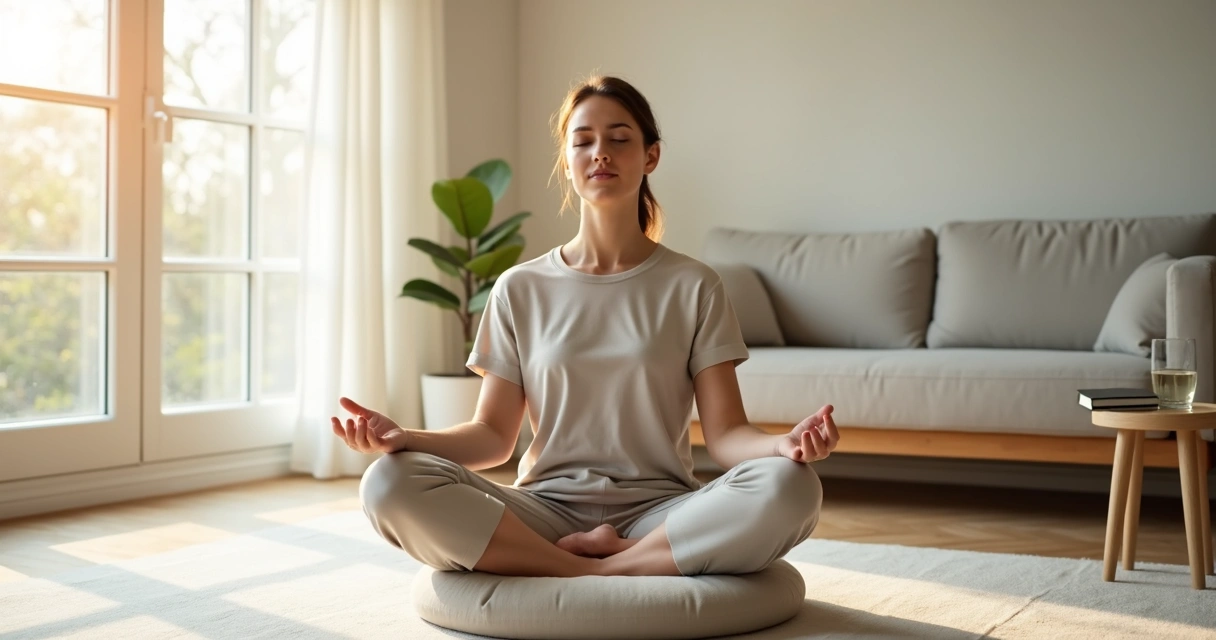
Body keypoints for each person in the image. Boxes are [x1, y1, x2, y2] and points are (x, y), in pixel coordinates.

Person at [332, 75, 840, 578]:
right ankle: (585, 567)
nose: (601, 153)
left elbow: (727, 435)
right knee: (386, 482)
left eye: (620, 139)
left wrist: (782, 447)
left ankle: (608, 565)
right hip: (543, 513)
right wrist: (404, 438)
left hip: (659, 514)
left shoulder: (694, 285)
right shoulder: (518, 287)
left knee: (793, 486)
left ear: (650, 157)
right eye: (584, 141)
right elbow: (492, 438)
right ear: (568, 161)